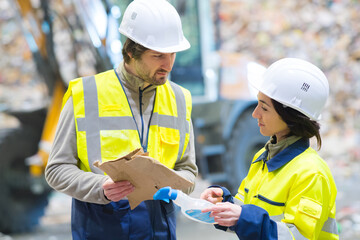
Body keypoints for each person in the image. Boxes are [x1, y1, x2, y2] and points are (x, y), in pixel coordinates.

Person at [45, 0, 198, 239]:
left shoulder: (179, 99)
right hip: (101, 228)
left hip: (159, 231)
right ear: (131, 51)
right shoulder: (86, 95)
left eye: (172, 54)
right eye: (158, 55)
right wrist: (100, 188)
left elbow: (188, 171)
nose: (167, 65)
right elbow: (56, 170)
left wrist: (174, 186)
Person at [200, 58, 339, 240]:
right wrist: (224, 202)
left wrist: (243, 217)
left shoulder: (311, 174)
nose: (255, 113)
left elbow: (298, 237)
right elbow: (245, 209)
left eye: (264, 108)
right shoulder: (263, 157)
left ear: (290, 115)